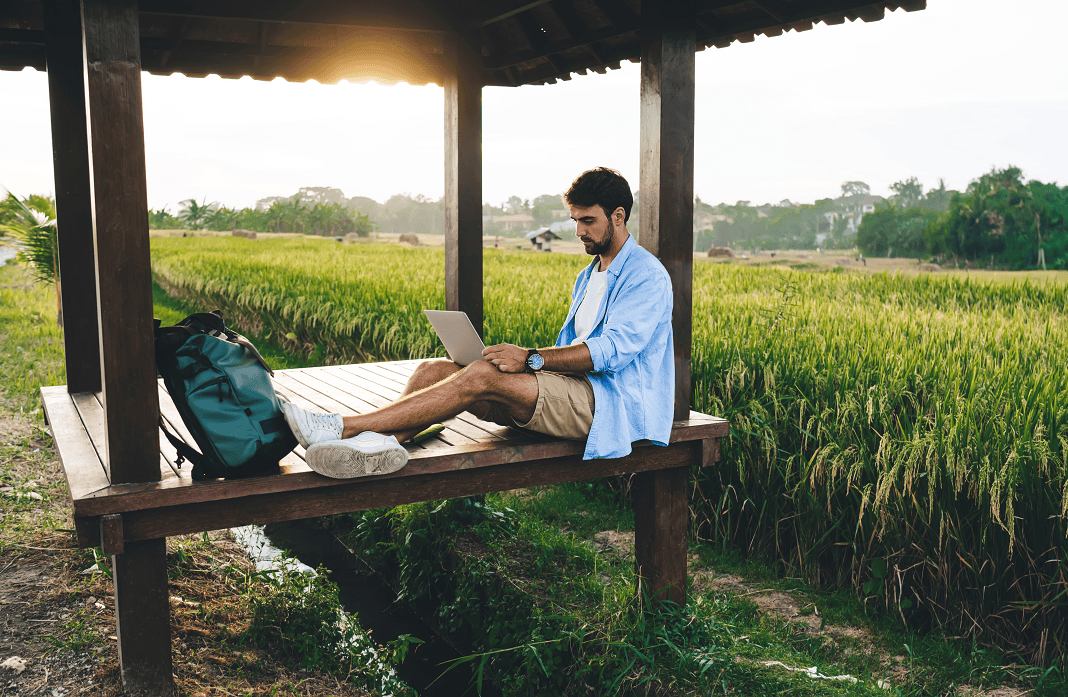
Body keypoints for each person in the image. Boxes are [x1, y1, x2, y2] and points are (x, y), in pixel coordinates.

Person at [282, 167, 675, 478]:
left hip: (608, 406)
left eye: (587, 220)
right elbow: (577, 344)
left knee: (481, 375)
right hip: (571, 393)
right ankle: (380, 448)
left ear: (619, 216)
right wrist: (523, 363)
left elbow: (611, 351)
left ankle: (342, 428)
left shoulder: (646, 275)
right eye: (575, 220)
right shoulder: (589, 275)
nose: (578, 231)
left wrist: (531, 359)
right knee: (432, 369)